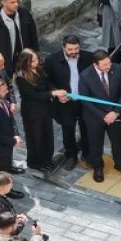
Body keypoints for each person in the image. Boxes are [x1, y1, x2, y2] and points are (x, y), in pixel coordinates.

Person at [79, 50, 121, 183]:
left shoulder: (117, 69)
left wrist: (116, 112)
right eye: (105, 65)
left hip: (115, 114)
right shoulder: (85, 76)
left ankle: (119, 163)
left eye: (109, 63)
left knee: (117, 141)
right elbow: (85, 100)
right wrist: (104, 115)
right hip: (95, 117)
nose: (109, 67)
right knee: (95, 143)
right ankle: (98, 167)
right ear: (95, 65)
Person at [45, 35, 93, 169]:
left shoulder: (88, 57)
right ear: (63, 48)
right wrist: (56, 92)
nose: (73, 52)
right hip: (65, 102)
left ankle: (87, 154)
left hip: (84, 101)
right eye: (70, 49)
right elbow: (47, 79)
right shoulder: (52, 60)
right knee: (68, 129)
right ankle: (71, 155)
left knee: (86, 127)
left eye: (76, 48)